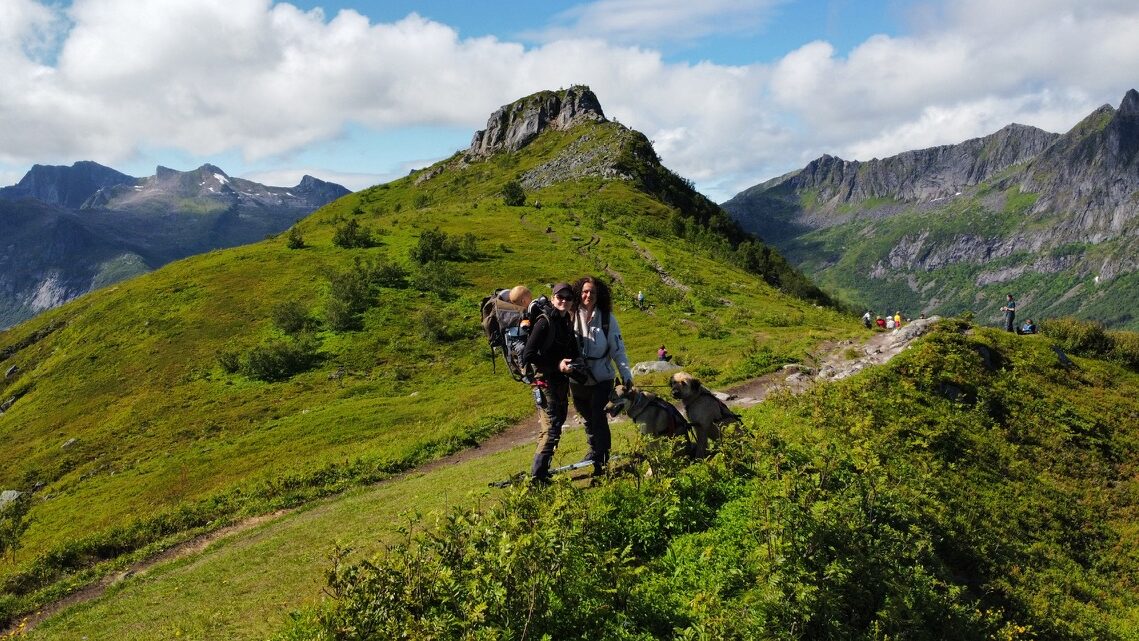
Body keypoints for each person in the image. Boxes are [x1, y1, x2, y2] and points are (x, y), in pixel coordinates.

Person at [570, 277, 633, 476]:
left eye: (593, 292)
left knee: (598, 418)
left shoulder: (607, 319)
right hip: (576, 380)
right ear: (578, 293)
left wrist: (626, 374)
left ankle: (601, 461)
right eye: (585, 291)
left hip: (602, 379)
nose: (588, 296)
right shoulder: (569, 316)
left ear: (599, 296)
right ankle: (594, 451)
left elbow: (618, 349)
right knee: (587, 418)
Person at [522, 283, 581, 484]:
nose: (564, 300)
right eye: (560, 296)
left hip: (560, 383)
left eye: (568, 297)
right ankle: (537, 478)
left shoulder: (565, 323)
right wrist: (557, 366)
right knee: (551, 428)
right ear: (552, 297)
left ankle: (542, 471)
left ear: (573, 302)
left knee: (555, 424)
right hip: (544, 383)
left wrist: (576, 365)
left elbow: (571, 352)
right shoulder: (544, 322)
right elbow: (528, 354)